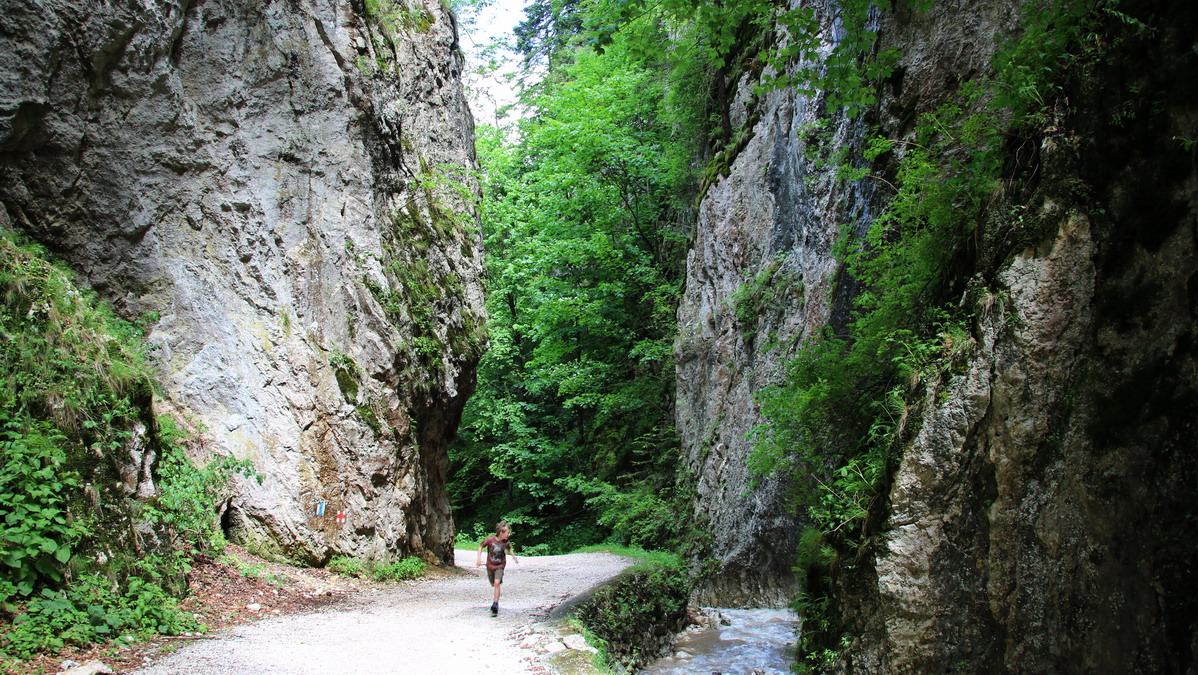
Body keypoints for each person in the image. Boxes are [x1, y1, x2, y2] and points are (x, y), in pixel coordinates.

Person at [475, 521, 518, 615]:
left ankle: (495, 604)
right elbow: (481, 546)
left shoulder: (506, 542)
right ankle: (495, 602)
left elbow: (509, 549)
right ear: (501, 532)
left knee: (497, 583)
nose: (509, 534)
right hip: (490, 566)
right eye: (507, 532)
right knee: (494, 584)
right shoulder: (490, 540)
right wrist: (478, 558)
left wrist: (514, 557)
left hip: (500, 566)